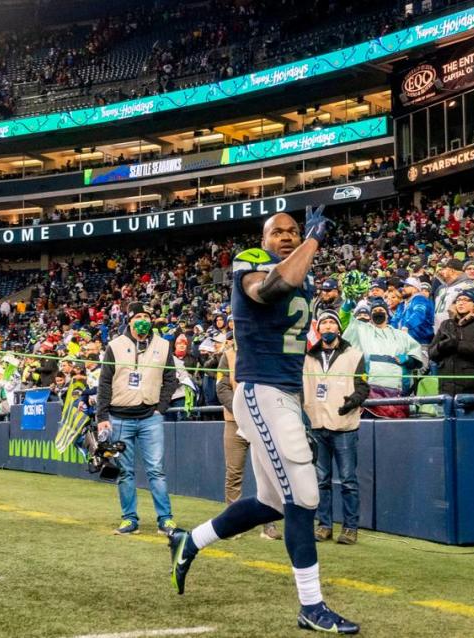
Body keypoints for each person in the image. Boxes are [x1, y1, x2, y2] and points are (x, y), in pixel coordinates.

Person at [168, 208, 359, 635]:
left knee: (271, 502)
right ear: (263, 238)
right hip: (262, 392)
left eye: (294, 231)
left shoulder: (304, 273)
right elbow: (272, 289)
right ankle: (311, 605)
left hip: (286, 394)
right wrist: (313, 240)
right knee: (305, 498)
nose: (288, 237)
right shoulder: (249, 268)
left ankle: (189, 540)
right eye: (279, 232)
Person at [96, 302, 178, 535]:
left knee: (156, 470)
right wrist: (102, 416)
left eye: (147, 316)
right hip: (119, 416)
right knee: (125, 471)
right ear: (129, 320)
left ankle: (165, 519)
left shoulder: (163, 345)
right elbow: (104, 382)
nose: (143, 319)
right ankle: (129, 519)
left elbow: (170, 378)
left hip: (150, 417)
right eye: (138, 316)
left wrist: (161, 407)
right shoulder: (115, 345)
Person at [303, 309, 369, 545]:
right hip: (318, 425)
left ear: (339, 328)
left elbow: (364, 387)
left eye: (332, 322)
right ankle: (324, 526)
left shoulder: (354, 354)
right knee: (322, 481)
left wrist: (353, 401)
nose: (328, 327)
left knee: (348, 480)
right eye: (324, 323)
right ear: (318, 329)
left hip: (344, 427)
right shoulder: (309, 356)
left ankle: (350, 528)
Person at [216, 331, 282, 540]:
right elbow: (222, 387)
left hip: (261, 422)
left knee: (266, 473)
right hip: (234, 422)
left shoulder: (266, 353)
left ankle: (268, 524)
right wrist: (240, 410)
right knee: (234, 472)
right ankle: (233, 523)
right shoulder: (227, 355)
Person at [428, 289, 474, 416]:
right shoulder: (446, 324)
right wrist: (442, 346)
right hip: (447, 389)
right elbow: (431, 352)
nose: (460, 303)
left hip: (472, 389)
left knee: (472, 428)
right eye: (458, 300)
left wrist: (457, 345)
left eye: (465, 300)